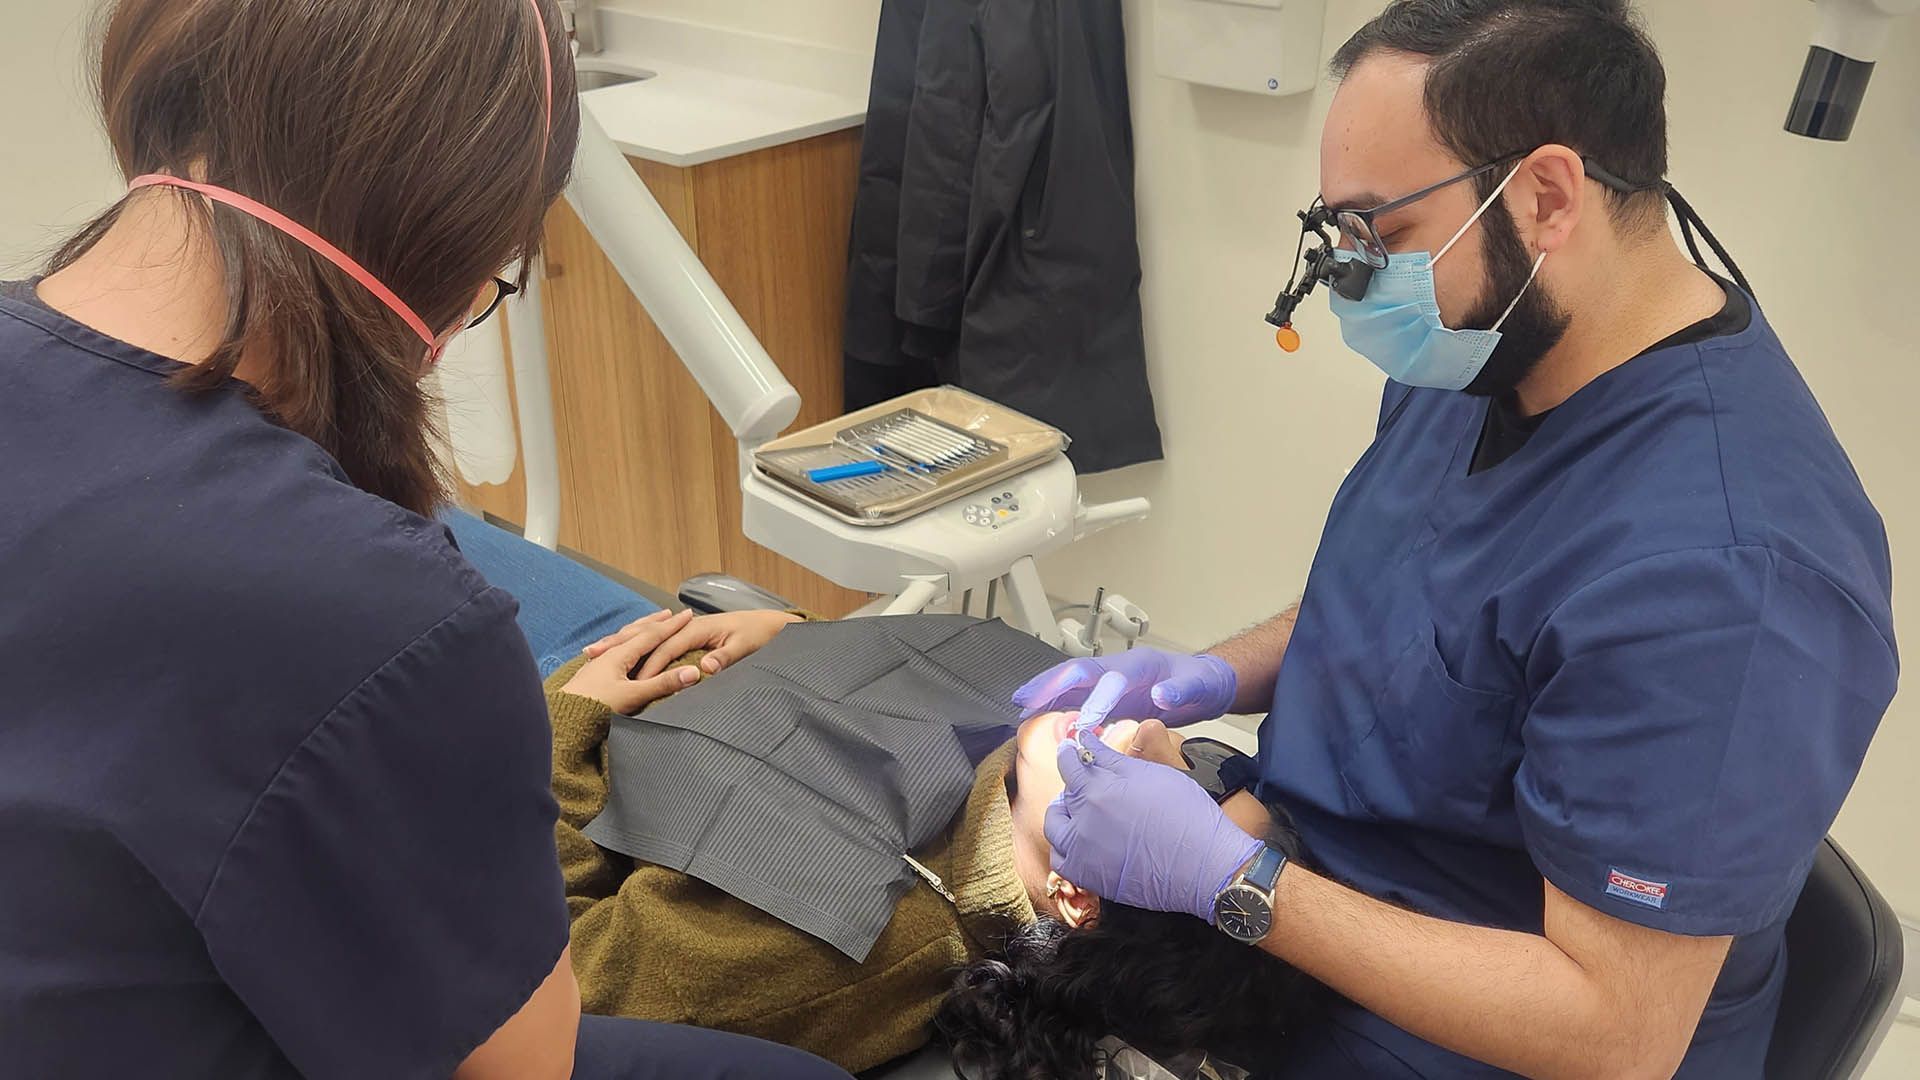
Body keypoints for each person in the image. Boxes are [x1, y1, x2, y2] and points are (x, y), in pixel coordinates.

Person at [1016, 2, 1897, 1078]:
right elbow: (1422, 605)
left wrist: (1229, 882)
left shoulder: (1728, 576)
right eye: (1339, 233)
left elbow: (1614, 1035)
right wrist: (1210, 675)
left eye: (1380, 234)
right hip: (1300, 915)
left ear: (1547, 196)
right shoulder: (1487, 347)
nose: (1351, 276)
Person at [0, 2, 845, 1077]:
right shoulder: (381, 616)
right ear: (445, 246)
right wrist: (506, 733)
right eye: (496, 284)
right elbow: (521, 1065)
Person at [432, 523, 1324, 1079]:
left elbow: (555, 973)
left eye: (1173, 796)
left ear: (1077, 898)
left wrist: (560, 725)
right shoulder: (1027, 737)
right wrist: (797, 640)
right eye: (1210, 769)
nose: (1153, 731)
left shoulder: (833, 939)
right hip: (668, 672)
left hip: (511, 752)